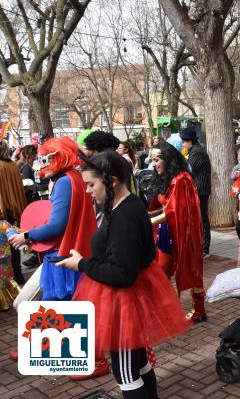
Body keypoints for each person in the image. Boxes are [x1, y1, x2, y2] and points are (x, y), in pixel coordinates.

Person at [59, 151, 190, 399]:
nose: (88, 191)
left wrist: (82, 265)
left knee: (127, 373)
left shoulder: (124, 215)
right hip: (126, 300)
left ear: (112, 180)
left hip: (123, 303)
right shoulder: (124, 206)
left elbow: (123, 273)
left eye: (91, 184)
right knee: (138, 364)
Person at [7, 138, 104, 376]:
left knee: (69, 305)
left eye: (46, 158)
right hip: (70, 250)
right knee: (61, 303)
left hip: (64, 252)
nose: (40, 165)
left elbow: (57, 224)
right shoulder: (70, 178)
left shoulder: (64, 181)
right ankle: (39, 344)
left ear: (59, 157)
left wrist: (26, 236)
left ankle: (97, 360)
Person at [148, 142, 207, 322]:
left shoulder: (181, 179)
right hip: (166, 233)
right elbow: (161, 206)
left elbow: (173, 212)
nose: (153, 164)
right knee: (161, 272)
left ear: (167, 159)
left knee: (192, 270)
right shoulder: (166, 177)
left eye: (156, 160)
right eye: (152, 160)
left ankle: (199, 310)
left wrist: (147, 221)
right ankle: (165, 310)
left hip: (184, 233)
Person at [180, 127, 212, 259]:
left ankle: (205, 249)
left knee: (202, 219)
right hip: (198, 190)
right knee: (199, 219)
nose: (183, 144)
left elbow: (189, 169)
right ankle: (201, 246)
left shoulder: (197, 152)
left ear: (189, 141)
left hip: (201, 190)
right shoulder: (194, 150)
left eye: (184, 141)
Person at [0, 140, 27, 285]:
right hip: (12, 211)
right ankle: (17, 275)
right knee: (13, 244)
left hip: (2, 212)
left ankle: (7, 282)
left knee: (4, 249)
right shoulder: (13, 166)